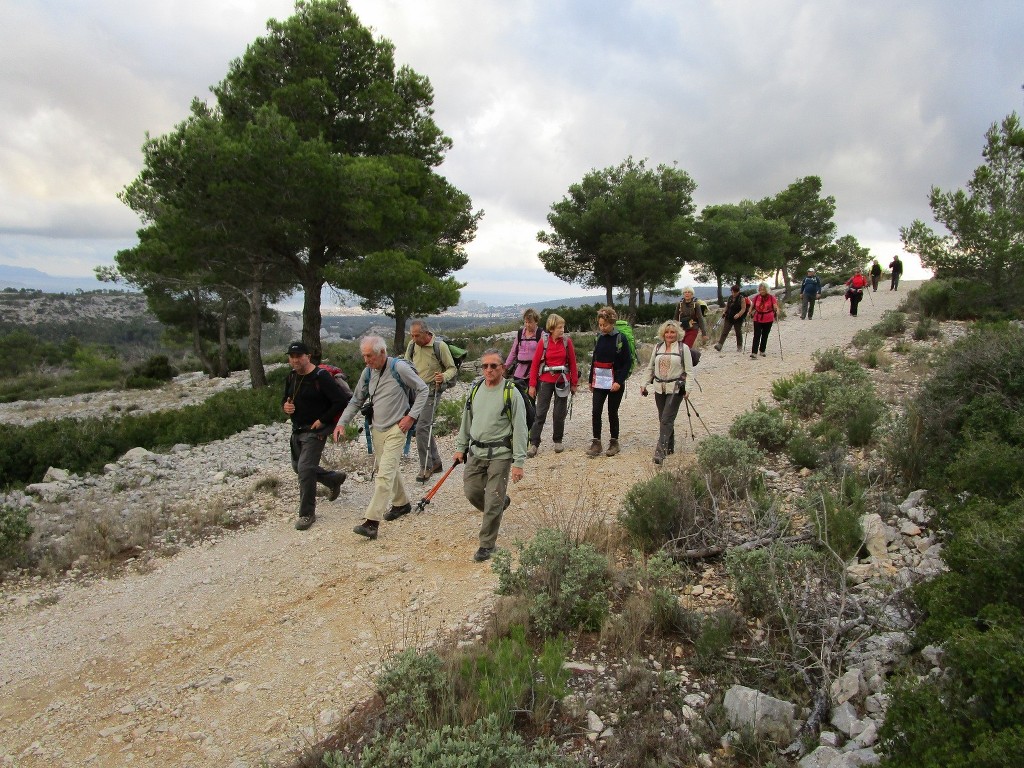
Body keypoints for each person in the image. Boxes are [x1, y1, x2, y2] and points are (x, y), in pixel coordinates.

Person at [333, 335, 428, 540]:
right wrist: (342, 422)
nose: (367, 360)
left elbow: (423, 389)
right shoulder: (368, 372)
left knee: (384, 474)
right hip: (377, 429)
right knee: (388, 468)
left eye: (370, 356)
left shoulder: (399, 369)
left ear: (382, 352)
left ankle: (371, 522)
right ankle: (402, 504)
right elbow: (356, 400)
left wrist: (411, 417)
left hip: (397, 428)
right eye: (364, 356)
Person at [453, 349, 527, 562]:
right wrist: (461, 447)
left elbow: (521, 429)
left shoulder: (511, 393)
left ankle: (487, 545)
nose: (488, 369)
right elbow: (466, 420)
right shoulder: (475, 390)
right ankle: (498, 506)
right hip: (476, 452)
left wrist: (518, 462)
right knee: (472, 491)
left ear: (503, 368)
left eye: (493, 365)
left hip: (501, 454)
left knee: (492, 498)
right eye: (485, 366)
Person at [281, 341, 348, 531]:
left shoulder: (321, 377)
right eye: (292, 357)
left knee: (304, 469)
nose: (295, 360)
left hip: (316, 430)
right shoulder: (291, 377)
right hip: (298, 428)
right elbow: (284, 400)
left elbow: (340, 401)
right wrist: (285, 408)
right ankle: (332, 479)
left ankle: (306, 514)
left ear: (308, 357)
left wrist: (323, 420)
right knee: (298, 467)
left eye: (299, 356)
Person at [406, 319, 457, 482]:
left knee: (421, 428)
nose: (414, 339)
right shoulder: (412, 346)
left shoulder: (439, 346)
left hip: (432, 390)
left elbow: (452, 368)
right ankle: (436, 462)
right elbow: (407, 365)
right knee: (424, 427)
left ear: (426, 333)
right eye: (412, 335)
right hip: (416, 391)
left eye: (417, 335)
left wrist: (443, 376)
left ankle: (425, 467)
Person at [640, 320, 693, 464]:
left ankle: (660, 451)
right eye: (667, 332)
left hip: (676, 388)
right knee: (663, 418)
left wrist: (688, 389)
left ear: (678, 334)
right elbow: (650, 368)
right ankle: (670, 446)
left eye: (673, 332)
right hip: (659, 388)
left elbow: (689, 371)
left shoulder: (684, 348)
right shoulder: (657, 348)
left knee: (666, 419)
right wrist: (643, 383)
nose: (670, 335)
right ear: (663, 333)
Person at [527, 313, 578, 457]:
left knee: (559, 413)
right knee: (540, 413)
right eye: (559, 327)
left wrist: (574, 383)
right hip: (545, 381)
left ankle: (558, 440)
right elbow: (535, 364)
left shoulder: (567, 342)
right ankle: (534, 444)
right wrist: (532, 385)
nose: (562, 330)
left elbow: (573, 364)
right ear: (551, 328)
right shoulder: (543, 342)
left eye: (563, 327)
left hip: (562, 381)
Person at [587, 306, 633, 457]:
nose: (602, 328)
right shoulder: (598, 338)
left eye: (605, 325)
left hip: (615, 382)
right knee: (595, 411)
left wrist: (619, 381)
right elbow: (595, 360)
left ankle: (614, 442)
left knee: (612, 412)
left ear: (612, 323)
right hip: (599, 381)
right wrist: (590, 380)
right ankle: (596, 442)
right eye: (600, 325)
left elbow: (627, 362)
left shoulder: (621, 338)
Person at [504, 308, 543, 387]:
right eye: (526, 322)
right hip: (519, 372)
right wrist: (505, 367)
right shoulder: (520, 333)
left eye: (530, 322)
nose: (527, 325)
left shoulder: (541, 334)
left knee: (531, 397)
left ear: (536, 321)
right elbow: (513, 352)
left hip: (534, 372)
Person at [714, 284, 749, 351]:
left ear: (738, 291)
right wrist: (724, 312)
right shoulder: (730, 298)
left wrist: (738, 314)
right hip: (729, 317)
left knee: (738, 332)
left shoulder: (741, 298)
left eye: (734, 292)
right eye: (732, 292)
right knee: (725, 331)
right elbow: (727, 306)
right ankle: (720, 345)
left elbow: (743, 309)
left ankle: (739, 346)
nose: (733, 293)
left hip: (738, 319)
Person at [749, 283, 779, 359]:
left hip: (768, 318)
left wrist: (777, 311)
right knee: (756, 335)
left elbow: (775, 306)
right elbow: (752, 306)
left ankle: (762, 350)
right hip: (758, 317)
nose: (761, 291)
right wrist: (749, 312)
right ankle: (754, 352)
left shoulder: (771, 298)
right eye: (760, 289)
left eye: (763, 289)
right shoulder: (756, 297)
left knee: (765, 335)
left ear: (766, 289)